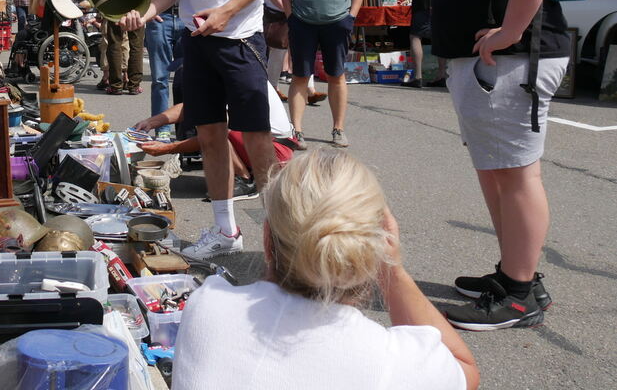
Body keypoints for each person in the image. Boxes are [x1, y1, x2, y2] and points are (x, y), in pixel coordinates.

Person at [428, 0, 568, 330]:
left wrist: (511, 30)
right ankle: (515, 274)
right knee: (499, 172)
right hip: (499, 62)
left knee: (515, 175)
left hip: (513, 61)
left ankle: (519, 295)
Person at [173, 151, 479, 390]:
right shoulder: (388, 360)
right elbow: (463, 370)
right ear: (374, 250)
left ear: (267, 240)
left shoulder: (207, 304)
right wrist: (393, 271)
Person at [121, 0, 278, 259]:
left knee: (257, 137)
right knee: (209, 133)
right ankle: (226, 232)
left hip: (241, 35)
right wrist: (146, 13)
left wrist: (227, 10)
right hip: (197, 38)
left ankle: (280, 236)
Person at [281, 0, 365, 149]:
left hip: (336, 22)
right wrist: (290, 15)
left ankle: (338, 128)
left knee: (336, 75)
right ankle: (296, 130)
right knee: (299, 76)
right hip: (303, 23)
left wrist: (351, 16)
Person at [132, 82, 296, 201]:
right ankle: (246, 170)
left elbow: (212, 133)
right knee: (209, 119)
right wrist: (152, 122)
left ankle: (245, 181)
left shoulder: (231, 78)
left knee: (212, 124)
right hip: (271, 144)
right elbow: (190, 107)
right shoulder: (224, 72)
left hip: (276, 152)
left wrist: (168, 148)